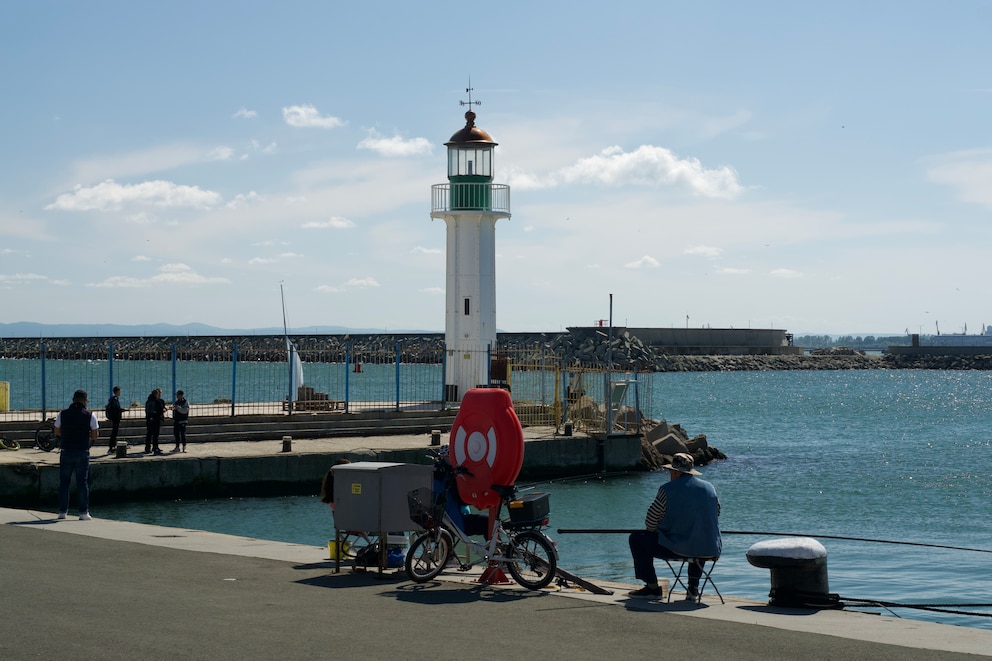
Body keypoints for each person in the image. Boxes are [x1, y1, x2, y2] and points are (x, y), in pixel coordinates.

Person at [627, 452, 722, 600]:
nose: (670, 474)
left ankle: (652, 588)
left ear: (676, 472)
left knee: (636, 539)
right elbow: (716, 513)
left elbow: (650, 524)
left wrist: (665, 528)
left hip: (680, 549)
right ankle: (693, 589)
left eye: (670, 471)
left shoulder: (667, 489)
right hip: (710, 548)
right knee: (699, 537)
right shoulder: (710, 488)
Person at [55, 389, 99, 520]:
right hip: (82, 451)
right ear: (84, 401)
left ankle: (62, 512)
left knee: (64, 482)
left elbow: (57, 431)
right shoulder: (90, 415)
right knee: (82, 483)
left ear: (73, 399)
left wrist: (67, 435)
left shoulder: (62, 414)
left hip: (66, 450)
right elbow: (95, 434)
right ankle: (83, 512)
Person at [144, 388, 166, 456]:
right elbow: (160, 411)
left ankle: (147, 448)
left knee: (149, 434)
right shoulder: (157, 401)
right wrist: (164, 411)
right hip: (156, 420)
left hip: (149, 419)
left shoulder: (148, 401)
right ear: (156, 394)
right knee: (155, 435)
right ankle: (155, 448)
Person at [105, 386, 123, 454]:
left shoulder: (113, 399)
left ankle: (113, 446)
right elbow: (116, 409)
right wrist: (121, 410)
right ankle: (111, 447)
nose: (120, 392)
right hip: (115, 419)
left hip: (115, 418)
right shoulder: (114, 400)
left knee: (114, 433)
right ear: (117, 391)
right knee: (114, 433)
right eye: (119, 391)